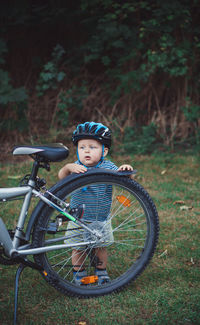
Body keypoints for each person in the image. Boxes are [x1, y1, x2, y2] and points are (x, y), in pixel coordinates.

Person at [58, 121, 133, 285]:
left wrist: (126, 170)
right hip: (77, 218)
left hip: (101, 218)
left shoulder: (107, 166)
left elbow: (126, 181)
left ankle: (101, 271)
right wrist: (67, 167)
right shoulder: (76, 167)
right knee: (78, 248)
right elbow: (61, 178)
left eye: (92, 147)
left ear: (104, 151)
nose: (86, 151)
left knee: (100, 248)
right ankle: (79, 273)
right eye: (82, 147)